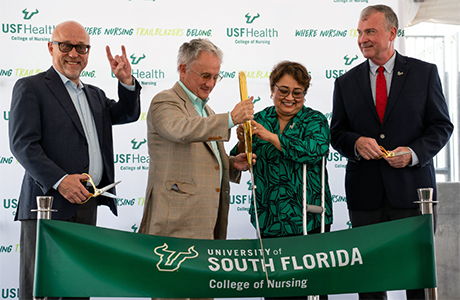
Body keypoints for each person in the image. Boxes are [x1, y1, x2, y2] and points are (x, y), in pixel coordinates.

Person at [9, 20, 141, 300]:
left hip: (86, 204)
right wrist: (60, 181)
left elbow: (127, 115)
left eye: (81, 47)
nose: (73, 53)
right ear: (50, 47)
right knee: (41, 291)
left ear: (88, 52)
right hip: (46, 207)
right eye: (65, 45)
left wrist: (126, 82)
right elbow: (23, 145)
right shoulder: (31, 87)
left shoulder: (95, 94)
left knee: (78, 288)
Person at [330, 5, 453, 300]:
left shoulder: (424, 73)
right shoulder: (345, 82)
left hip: (413, 194)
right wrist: (356, 143)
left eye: (370, 31)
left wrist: (412, 153)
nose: (362, 39)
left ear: (392, 33)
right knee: (369, 278)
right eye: (359, 33)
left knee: (417, 278)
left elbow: (441, 126)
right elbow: (337, 134)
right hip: (365, 196)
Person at [231, 61, 332, 300]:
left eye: (297, 93)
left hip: (308, 217)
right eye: (283, 90)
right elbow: (243, 159)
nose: (289, 98)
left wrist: (272, 137)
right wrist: (244, 141)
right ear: (272, 89)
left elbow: (315, 150)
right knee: (276, 290)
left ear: (305, 94)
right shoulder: (260, 117)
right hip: (270, 216)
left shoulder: (315, 120)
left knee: (311, 290)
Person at [138, 38, 254, 247]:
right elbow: (182, 130)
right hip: (174, 226)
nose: (210, 84)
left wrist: (231, 163)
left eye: (216, 77)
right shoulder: (164, 101)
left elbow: (202, 161)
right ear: (183, 69)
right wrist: (230, 119)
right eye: (205, 76)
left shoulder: (206, 111)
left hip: (206, 224)